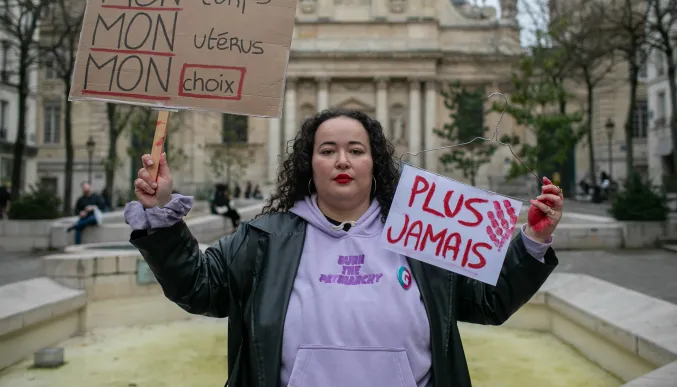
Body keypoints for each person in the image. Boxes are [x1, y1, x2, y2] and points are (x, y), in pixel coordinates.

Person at [125, 109, 563, 387]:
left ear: (376, 164)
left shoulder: (425, 235)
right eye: (327, 150)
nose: (342, 161)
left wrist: (534, 240)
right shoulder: (265, 239)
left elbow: (490, 301)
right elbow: (198, 286)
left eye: (356, 150)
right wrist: (162, 210)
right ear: (307, 164)